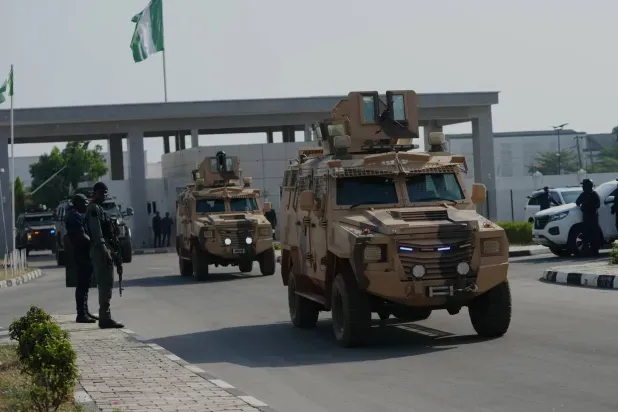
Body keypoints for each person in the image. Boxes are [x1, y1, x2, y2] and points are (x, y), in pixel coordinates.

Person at [85, 182, 124, 329]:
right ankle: (105, 318)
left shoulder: (100, 208)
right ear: (95, 193)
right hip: (100, 250)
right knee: (104, 284)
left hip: (106, 249)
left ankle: (105, 316)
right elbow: (97, 232)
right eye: (101, 192)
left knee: (108, 283)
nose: (104, 195)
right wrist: (104, 249)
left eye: (106, 193)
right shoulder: (93, 208)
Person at [66, 194, 98, 323]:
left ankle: (85, 311)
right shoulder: (74, 217)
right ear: (78, 204)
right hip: (81, 253)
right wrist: (95, 243)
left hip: (84, 253)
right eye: (84, 203)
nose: (86, 205)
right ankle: (81, 313)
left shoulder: (78, 215)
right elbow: (81, 235)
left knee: (86, 284)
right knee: (82, 284)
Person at [575, 178, 601, 256]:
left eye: (584, 186)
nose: (583, 187)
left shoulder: (594, 194)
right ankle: (587, 250)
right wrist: (583, 205)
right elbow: (577, 202)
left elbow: (598, 205)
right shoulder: (583, 194)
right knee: (586, 234)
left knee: (595, 235)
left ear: (588, 186)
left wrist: (587, 205)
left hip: (593, 217)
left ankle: (595, 251)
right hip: (587, 217)